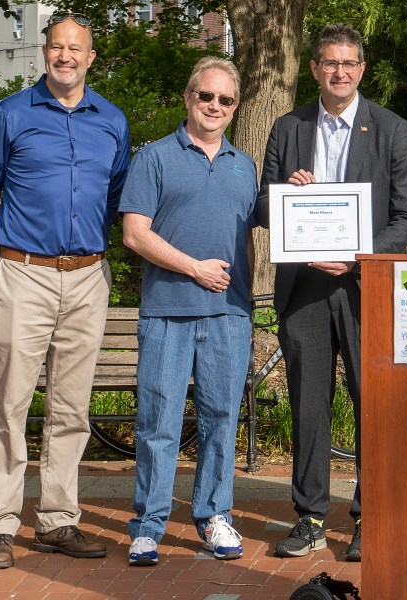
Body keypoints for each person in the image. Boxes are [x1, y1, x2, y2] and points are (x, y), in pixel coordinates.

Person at [0, 12, 130, 569]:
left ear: (90, 57)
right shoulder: (8, 114)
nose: (66, 56)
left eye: (75, 48)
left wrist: (84, 246)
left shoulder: (111, 119)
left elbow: (114, 196)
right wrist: (13, 249)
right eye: (57, 46)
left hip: (88, 276)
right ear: (45, 53)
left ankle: (58, 522)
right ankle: (0, 526)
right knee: (9, 403)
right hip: (24, 274)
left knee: (71, 406)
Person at [255, 23, 407, 562]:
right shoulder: (287, 127)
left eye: (349, 63)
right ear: (314, 69)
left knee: (372, 404)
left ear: (362, 69)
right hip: (303, 287)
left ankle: (371, 516)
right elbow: (261, 207)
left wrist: (357, 253)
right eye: (330, 62)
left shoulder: (391, 129)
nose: (340, 72)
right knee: (308, 406)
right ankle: (309, 519)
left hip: (363, 287)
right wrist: (285, 197)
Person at [118, 57, 257, 566]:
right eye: (206, 96)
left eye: (225, 100)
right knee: (159, 422)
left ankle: (214, 514)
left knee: (221, 419)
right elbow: (135, 233)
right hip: (167, 313)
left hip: (228, 315)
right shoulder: (154, 158)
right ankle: (149, 524)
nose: (214, 106)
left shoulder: (246, 166)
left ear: (236, 107)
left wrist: (302, 195)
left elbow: (257, 235)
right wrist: (194, 269)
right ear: (187, 98)